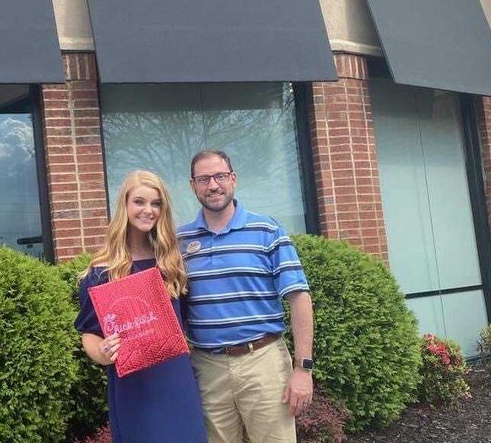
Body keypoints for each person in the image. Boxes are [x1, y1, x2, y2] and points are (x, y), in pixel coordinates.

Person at [178, 150, 314, 443]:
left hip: (262, 361)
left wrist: (303, 369)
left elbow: (299, 298)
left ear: (233, 179)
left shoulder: (267, 230)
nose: (213, 185)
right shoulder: (179, 241)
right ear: (193, 186)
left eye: (220, 176)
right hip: (208, 366)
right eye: (203, 179)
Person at [76, 170, 208, 443]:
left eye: (156, 203)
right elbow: (89, 332)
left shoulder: (171, 263)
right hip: (134, 385)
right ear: (124, 205)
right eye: (139, 202)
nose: (148, 210)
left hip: (176, 378)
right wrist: (102, 354)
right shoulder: (102, 270)